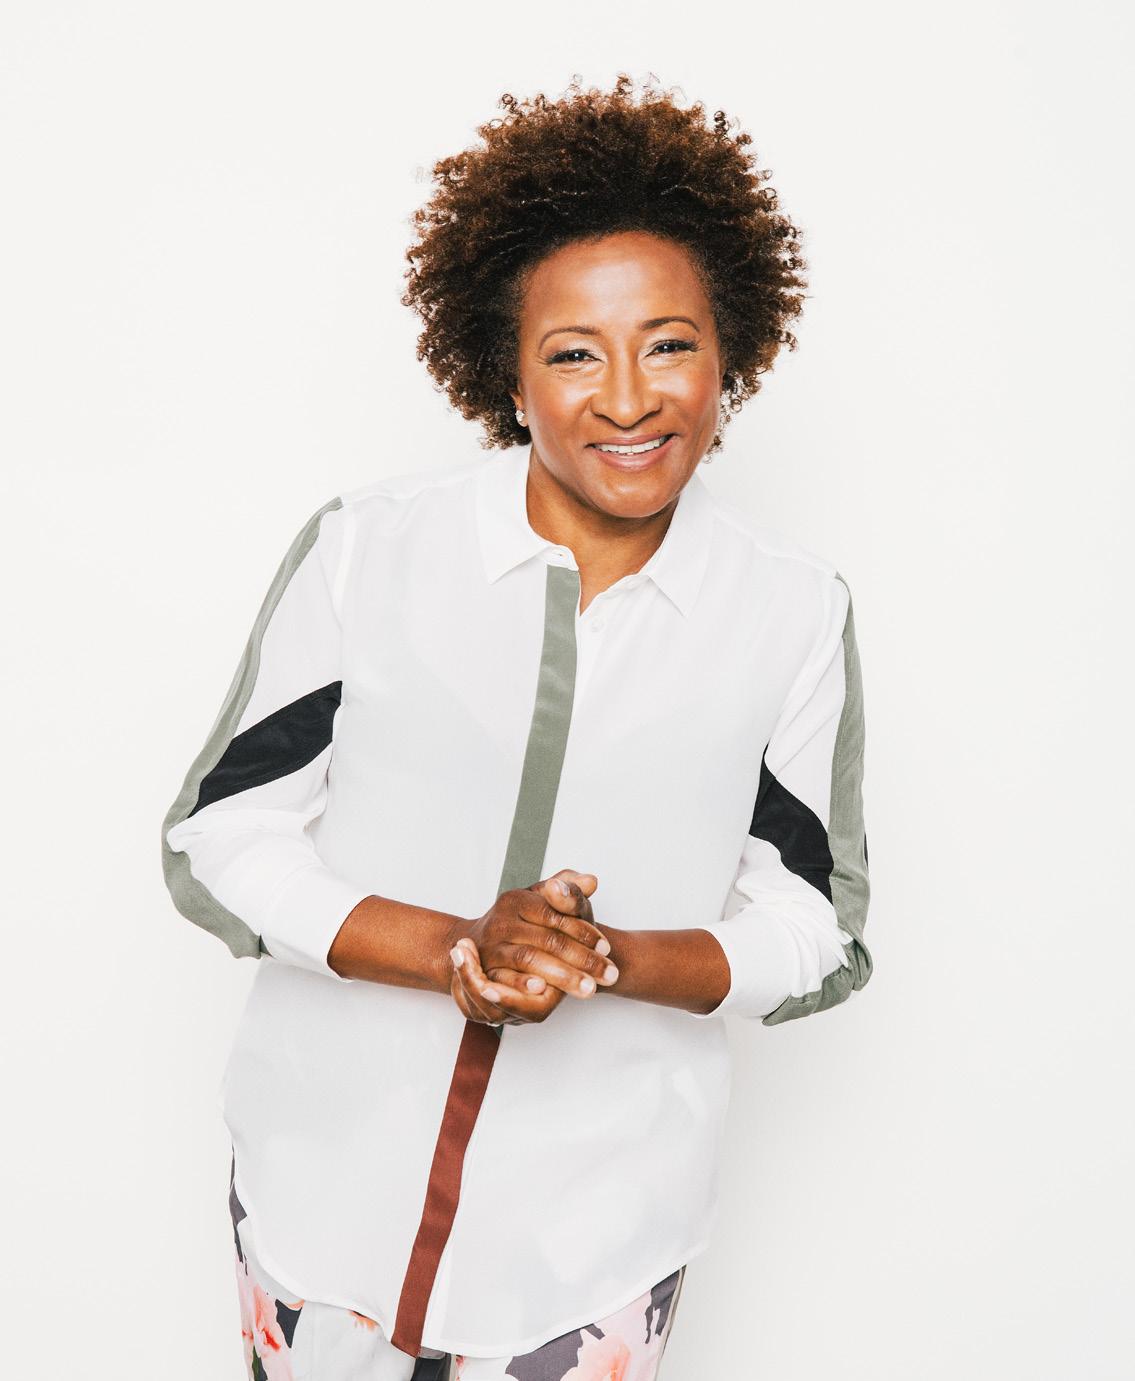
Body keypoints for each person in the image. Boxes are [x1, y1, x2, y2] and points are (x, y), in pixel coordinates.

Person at [160, 73, 873, 1381]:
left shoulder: (790, 611)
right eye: (573, 352)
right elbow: (217, 838)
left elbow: (817, 930)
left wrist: (606, 959)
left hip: (594, 1241)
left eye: (670, 343)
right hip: (324, 1195)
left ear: (732, 351)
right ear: (509, 369)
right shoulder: (368, 552)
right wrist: (455, 949)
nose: (628, 397)